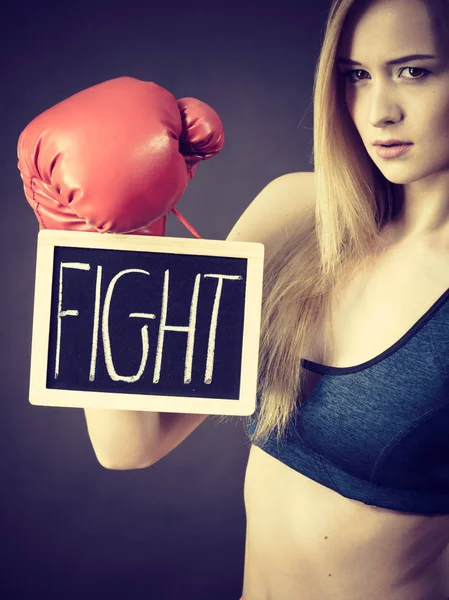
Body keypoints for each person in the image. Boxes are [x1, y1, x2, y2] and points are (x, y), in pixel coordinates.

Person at [18, 0, 449, 599]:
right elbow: (133, 443)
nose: (379, 111)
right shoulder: (297, 211)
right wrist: (108, 239)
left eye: (414, 71)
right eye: (357, 74)